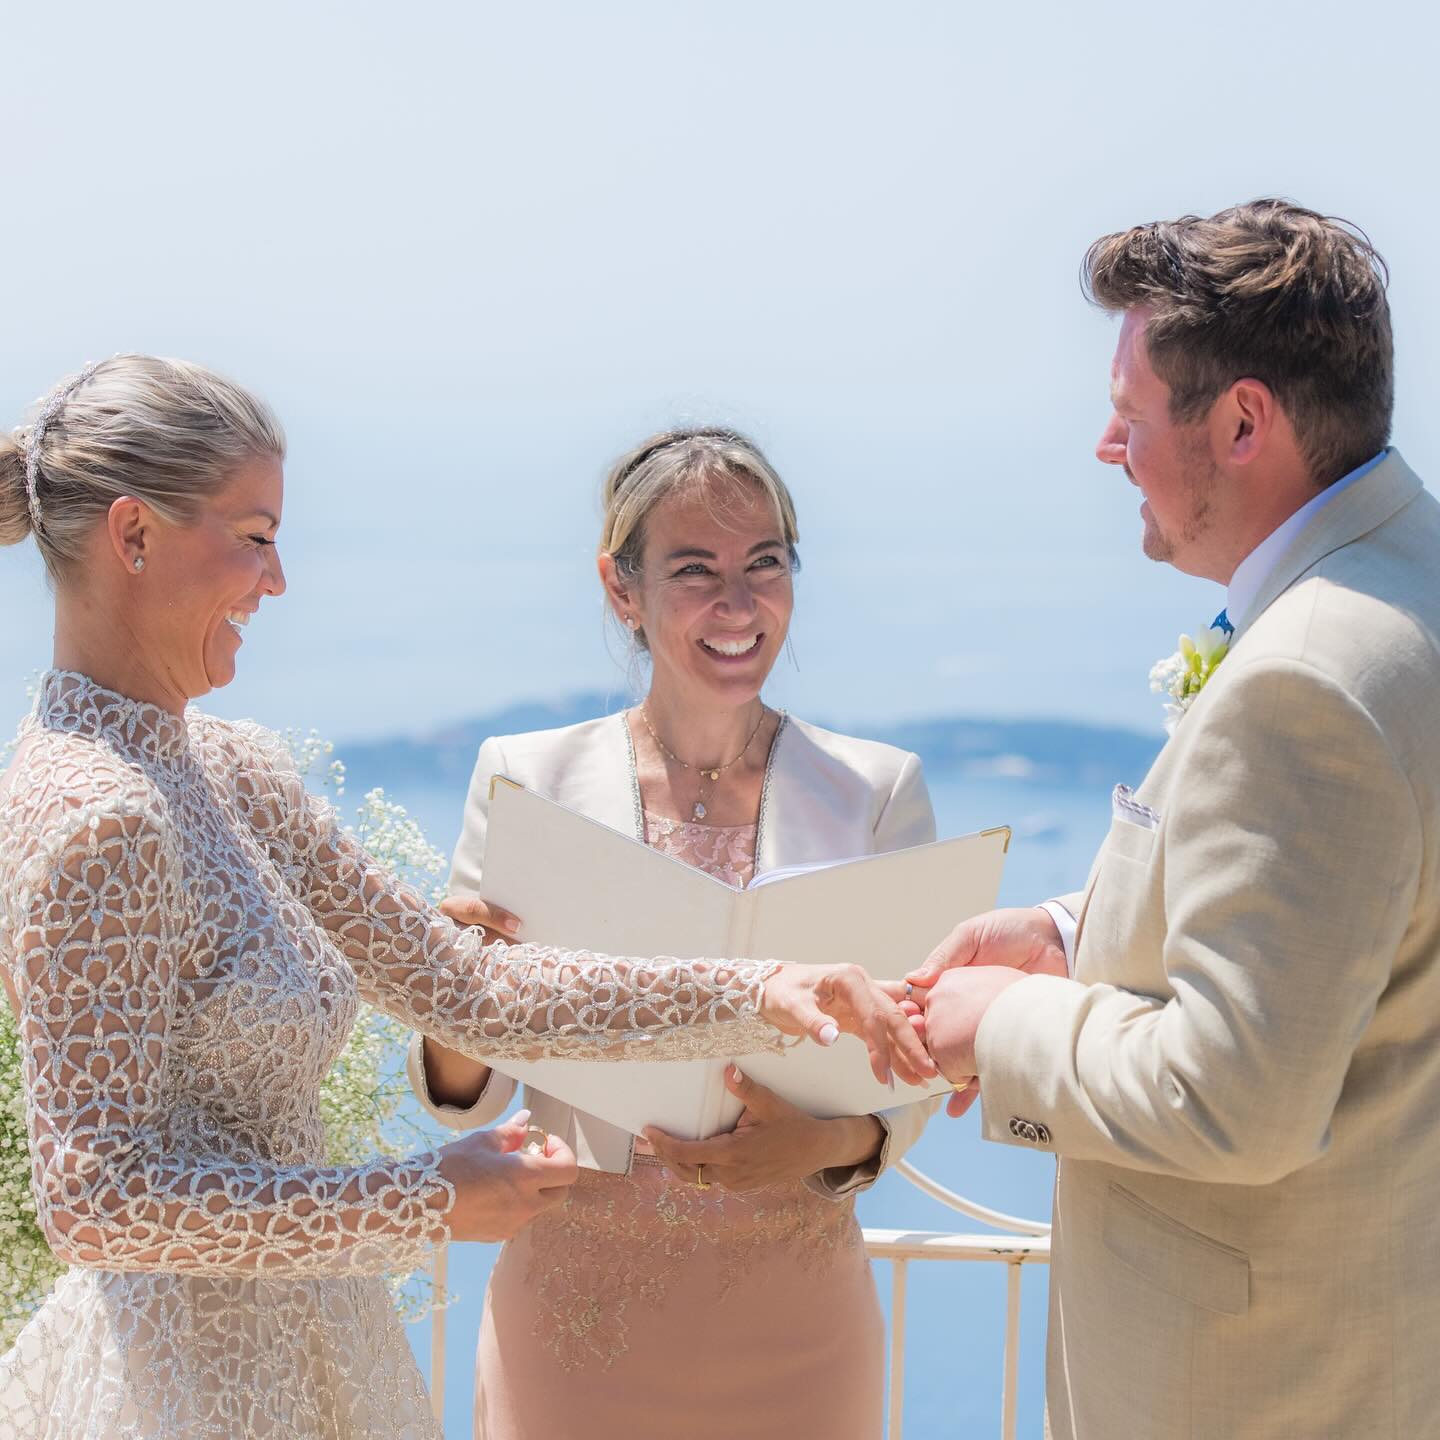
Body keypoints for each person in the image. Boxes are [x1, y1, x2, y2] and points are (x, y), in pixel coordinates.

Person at [0, 360, 931, 1440]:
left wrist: (765, 987)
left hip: (320, 1346)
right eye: (254, 537)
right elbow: (97, 1201)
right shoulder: (93, 812)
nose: (278, 579)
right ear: (134, 536)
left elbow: (464, 983)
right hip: (184, 1391)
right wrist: (423, 1200)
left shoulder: (231, 767)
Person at [911, 200, 1440, 1438]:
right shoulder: (1404, 587)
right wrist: (1069, 929)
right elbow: (1348, 916)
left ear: (1243, 421)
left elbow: (1233, 1097)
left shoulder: (1309, 673)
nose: (1107, 446)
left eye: (1131, 412)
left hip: (1260, 1389)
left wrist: (1010, 1023)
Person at [410, 427, 942, 1439]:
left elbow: (915, 1059)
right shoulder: (529, 781)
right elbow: (462, 1088)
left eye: (765, 565)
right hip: (576, 1320)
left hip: (798, 1317)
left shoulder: (878, 792)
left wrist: (821, 1143)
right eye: (696, 571)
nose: (738, 606)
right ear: (622, 589)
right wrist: (450, 986)